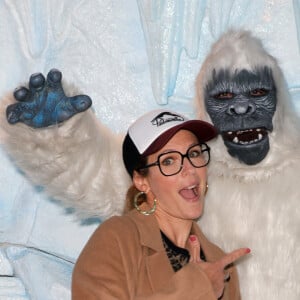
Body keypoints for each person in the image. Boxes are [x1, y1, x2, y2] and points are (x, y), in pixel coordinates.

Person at [71, 109, 250, 299]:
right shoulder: (116, 239)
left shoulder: (217, 260)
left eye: (194, 153)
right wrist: (197, 287)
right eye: (169, 161)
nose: (190, 170)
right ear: (142, 181)